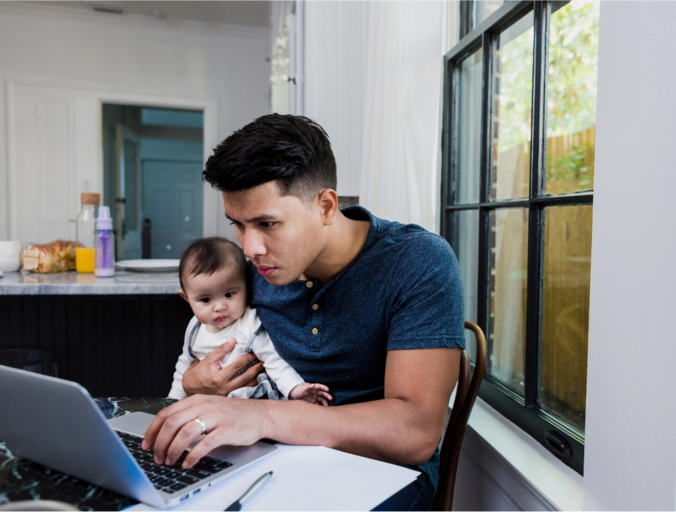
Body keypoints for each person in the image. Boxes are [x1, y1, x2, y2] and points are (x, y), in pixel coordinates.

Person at [142, 114, 464, 510]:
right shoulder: (250, 273)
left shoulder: (418, 261)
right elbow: (208, 356)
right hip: (265, 460)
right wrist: (197, 387)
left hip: (380, 474)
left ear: (326, 206)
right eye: (238, 225)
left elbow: (415, 433)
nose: (251, 248)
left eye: (267, 223)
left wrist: (261, 417)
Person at [169, 236, 332, 405]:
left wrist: (294, 388)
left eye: (229, 294)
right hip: (204, 404)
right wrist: (172, 399)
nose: (219, 307)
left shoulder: (249, 323)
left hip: (249, 405)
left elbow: (273, 360)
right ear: (186, 297)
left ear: (246, 287)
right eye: (205, 300)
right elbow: (184, 365)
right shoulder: (195, 327)